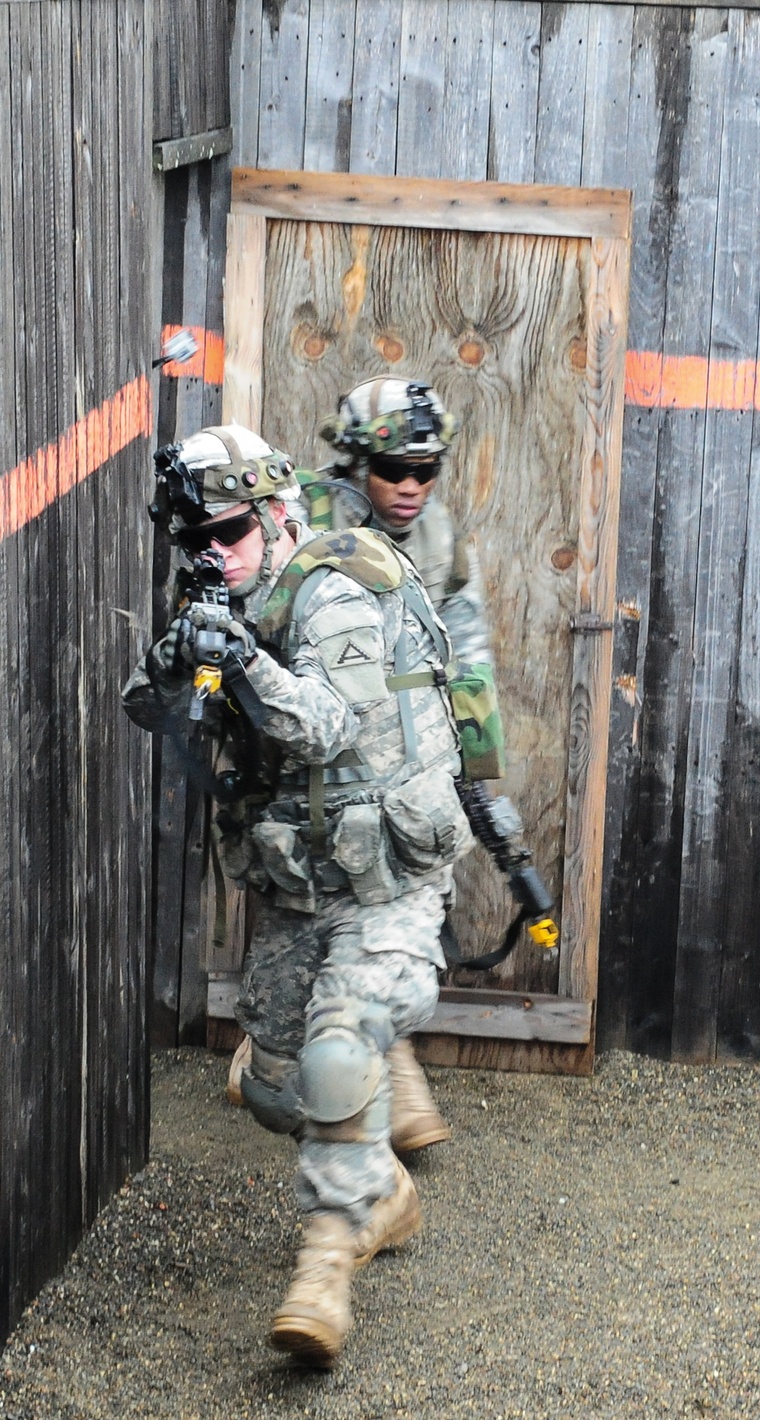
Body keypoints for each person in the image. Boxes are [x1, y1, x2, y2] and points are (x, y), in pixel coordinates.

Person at [122, 423, 476, 1366]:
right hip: (297, 888)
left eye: (231, 532)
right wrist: (178, 659)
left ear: (275, 515)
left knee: (336, 1058)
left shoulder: (331, 595)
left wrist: (235, 656)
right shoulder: (217, 592)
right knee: (279, 1091)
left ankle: (323, 1270)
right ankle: (385, 1192)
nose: (213, 554)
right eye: (193, 539)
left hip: (391, 878)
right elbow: (145, 708)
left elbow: (319, 723)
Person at [229, 377, 505, 1143]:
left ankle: (376, 1077)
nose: (412, 486)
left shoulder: (438, 536)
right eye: (394, 469)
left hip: (395, 771)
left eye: (428, 470)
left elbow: (469, 664)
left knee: (384, 920)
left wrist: (481, 782)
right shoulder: (297, 519)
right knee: (304, 915)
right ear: (354, 463)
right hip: (296, 762)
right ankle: (305, 1062)